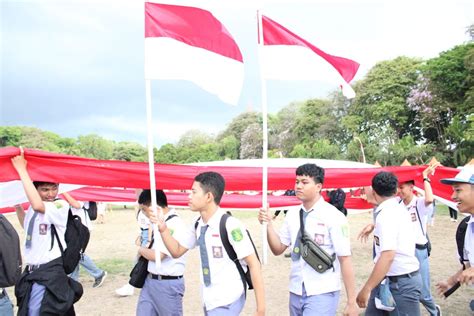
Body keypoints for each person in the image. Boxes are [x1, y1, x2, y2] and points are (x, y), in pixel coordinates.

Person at [153, 171, 265, 315]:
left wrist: (260, 309)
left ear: (208, 197)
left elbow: (253, 263)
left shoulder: (230, 225)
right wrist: (163, 228)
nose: (189, 196)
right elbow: (176, 251)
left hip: (228, 299)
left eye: (193, 192)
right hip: (209, 299)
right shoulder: (197, 224)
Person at [259, 163, 359, 316]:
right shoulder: (292, 214)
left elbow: (345, 259)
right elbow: (278, 248)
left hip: (323, 290)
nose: (299, 186)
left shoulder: (333, 216)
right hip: (296, 289)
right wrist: (268, 225)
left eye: (305, 182)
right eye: (297, 181)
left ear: (318, 186)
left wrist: (352, 302)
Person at [11, 150, 82, 315]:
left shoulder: (59, 206)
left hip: (49, 271)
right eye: (45, 190)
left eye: (54, 188)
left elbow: (38, 206)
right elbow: (28, 228)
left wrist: (22, 170)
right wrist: (17, 206)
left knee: (39, 312)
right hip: (33, 272)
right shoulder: (34, 209)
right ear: (36, 190)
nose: (51, 194)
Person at [356, 171, 422, 315]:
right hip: (387, 280)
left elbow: (388, 256)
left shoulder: (387, 214)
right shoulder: (396, 208)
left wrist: (366, 288)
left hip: (401, 284)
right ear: (395, 190)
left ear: (373, 192)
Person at [397, 163, 441, 316]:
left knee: (423, 293)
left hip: (418, 250)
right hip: (403, 250)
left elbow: (430, 199)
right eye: (398, 187)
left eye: (402, 187)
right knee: (403, 287)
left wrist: (425, 178)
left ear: (411, 188)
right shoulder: (398, 205)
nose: (399, 190)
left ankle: (435, 312)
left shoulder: (419, 203)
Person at [136, 189, 190, 316]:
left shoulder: (174, 224)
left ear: (154, 207)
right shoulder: (158, 222)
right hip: (150, 281)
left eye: (144, 210)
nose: (143, 214)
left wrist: (141, 250)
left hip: (167, 284)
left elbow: (159, 255)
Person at [435, 167, 474, 312]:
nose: (452, 196)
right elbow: (468, 267)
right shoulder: (465, 227)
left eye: (458, 190)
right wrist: (451, 281)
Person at [62, 194, 107, 288]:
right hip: (74, 228)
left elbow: (76, 205)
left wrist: (64, 192)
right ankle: (72, 280)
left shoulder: (81, 193)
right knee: (73, 253)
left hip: (82, 228)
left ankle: (98, 273)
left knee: (77, 253)